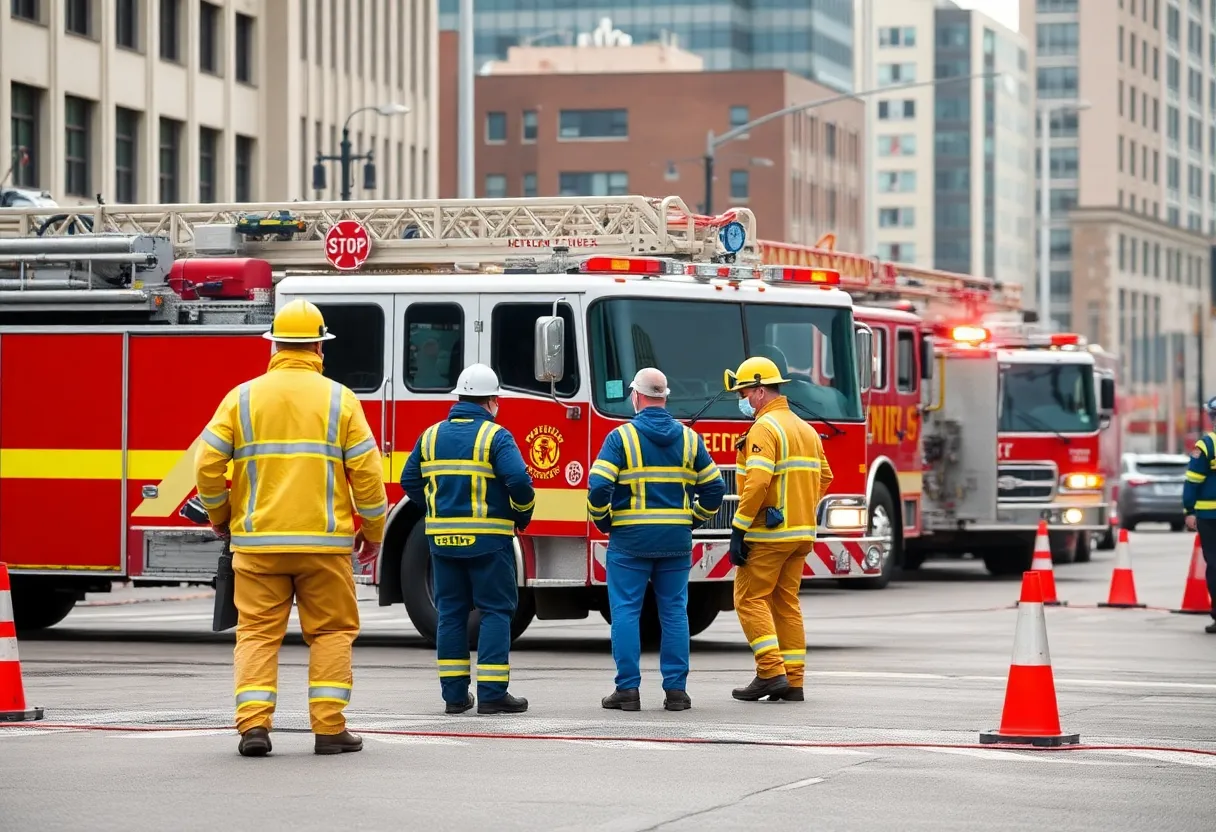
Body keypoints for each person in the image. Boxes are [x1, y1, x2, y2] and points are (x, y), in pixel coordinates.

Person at [194, 299, 388, 757]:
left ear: (275, 345)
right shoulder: (341, 399)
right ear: (320, 348)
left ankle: (255, 728)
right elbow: (368, 475)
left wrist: (221, 517)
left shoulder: (242, 397)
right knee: (331, 633)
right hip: (324, 547)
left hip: (258, 546)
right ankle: (328, 729)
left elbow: (206, 467)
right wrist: (374, 532)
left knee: (258, 634)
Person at [400, 363, 536, 713]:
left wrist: (435, 508)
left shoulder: (430, 436)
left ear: (459, 397)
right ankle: (491, 695)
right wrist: (520, 514)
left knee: (451, 615)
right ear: (491, 401)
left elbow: (409, 481)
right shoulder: (496, 436)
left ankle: (455, 697)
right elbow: (519, 482)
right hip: (490, 543)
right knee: (495, 612)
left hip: (442, 544)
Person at [588, 368, 725, 712]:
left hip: (630, 540)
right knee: (675, 614)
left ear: (636, 396)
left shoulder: (621, 438)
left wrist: (604, 520)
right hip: (675, 540)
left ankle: (628, 691)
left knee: (626, 612)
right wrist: (691, 519)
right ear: (665, 397)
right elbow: (715, 489)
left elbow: (599, 486)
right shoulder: (690, 439)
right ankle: (676, 693)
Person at [724, 355, 833, 702]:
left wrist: (739, 528)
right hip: (800, 533)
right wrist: (798, 507)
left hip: (768, 535)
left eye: (743, 392)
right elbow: (826, 477)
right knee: (786, 603)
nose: (741, 400)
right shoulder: (806, 428)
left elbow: (756, 482)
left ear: (758, 391)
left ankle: (771, 672)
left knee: (749, 599)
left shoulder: (765, 428)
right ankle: (794, 680)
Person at [1181, 395, 1216, 634]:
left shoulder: (1206, 445)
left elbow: (1193, 481)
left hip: (1209, 516)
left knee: (1214, 565)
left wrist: (1188, 509)